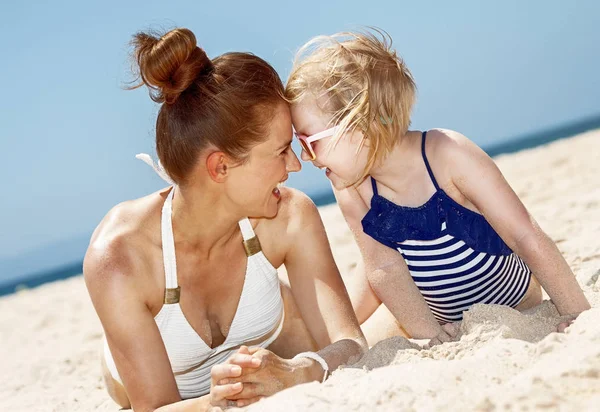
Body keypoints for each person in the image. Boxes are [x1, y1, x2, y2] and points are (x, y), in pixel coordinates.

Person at [84, 27, 366, 411]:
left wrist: (299, 372)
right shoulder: (120, 259)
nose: (297, 165)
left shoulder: (290, 215)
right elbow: (153, 408)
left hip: (272, 334)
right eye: (282, 151)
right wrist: (213, 403)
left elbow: (350, 343)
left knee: (322, 317)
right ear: (220, 167)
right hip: (158, 376)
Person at [284, 29, 591, 347]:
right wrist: (429, 335)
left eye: (309, 141)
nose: (305, 157)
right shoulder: (350, 186)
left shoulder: (447, 154)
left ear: (360, 125)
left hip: (516, 300)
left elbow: (524, 233)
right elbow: (385, 268)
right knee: (350, 334)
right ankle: (295, 330)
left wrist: (576, 312)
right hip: (432, 310)